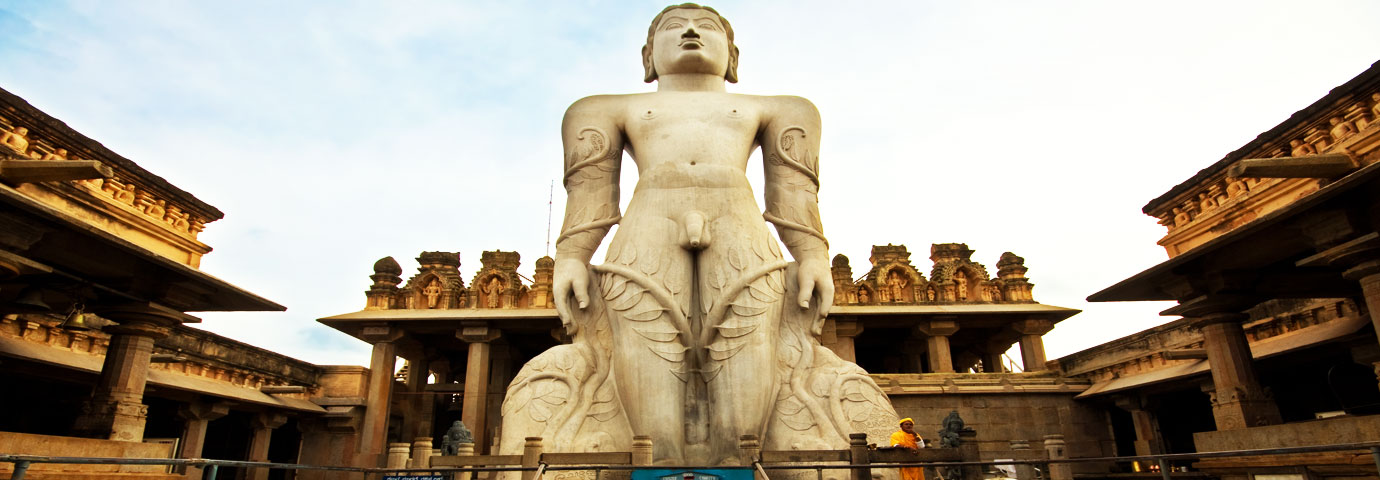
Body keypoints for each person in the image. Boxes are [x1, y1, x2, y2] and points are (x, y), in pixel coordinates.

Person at [552, 3, 833, 465]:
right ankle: (655, 464)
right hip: (649, 227)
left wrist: (813, 255)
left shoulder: (782, 109)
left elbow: (795, 194)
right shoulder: (602, 109)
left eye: (705, 27)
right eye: (672, 27)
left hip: (739, 226)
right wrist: (572, 256)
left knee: (747, 346)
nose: (688, 31)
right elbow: (590, 194)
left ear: (732, 55)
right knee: (644, 346)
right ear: (648, 56)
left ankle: (737, 464)